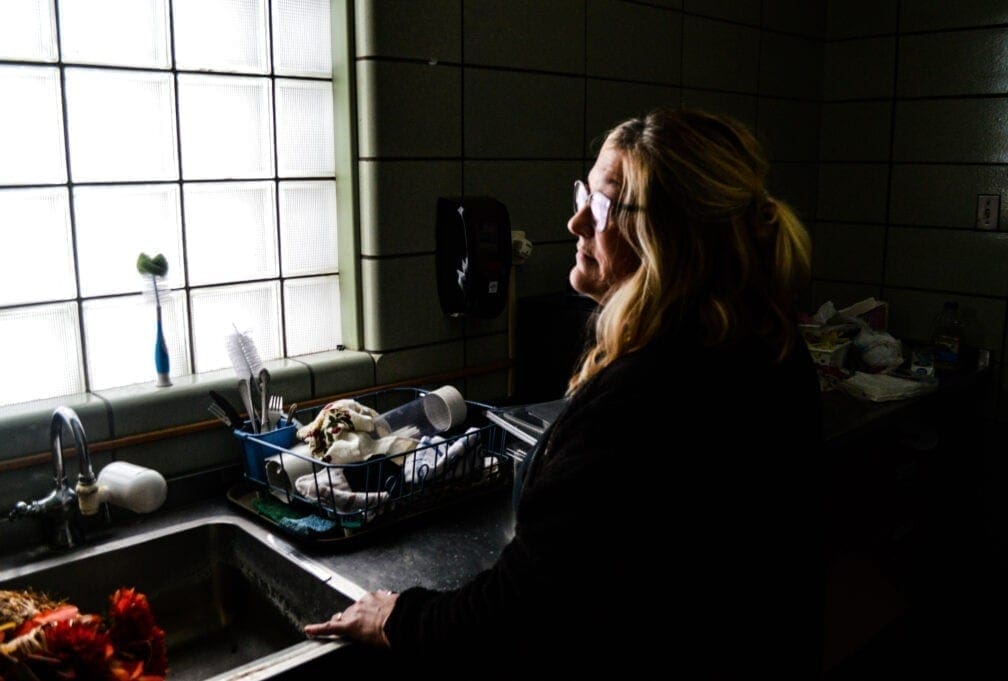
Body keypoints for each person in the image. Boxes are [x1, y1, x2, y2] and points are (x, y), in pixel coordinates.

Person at [304, 107, 824, 677]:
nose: (576, 222)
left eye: (601, 206)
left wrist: (397, 620)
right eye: (584, 192)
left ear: (671, 239)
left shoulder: (648, 394)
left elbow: (520, 613)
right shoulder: (767, 340)